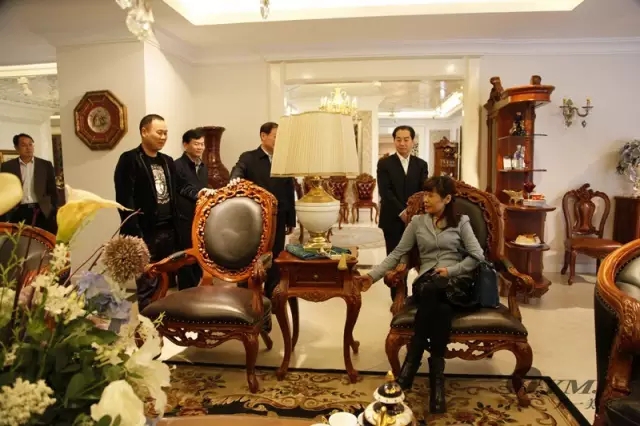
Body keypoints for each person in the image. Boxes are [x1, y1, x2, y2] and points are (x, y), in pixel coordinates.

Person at [354, 176, 484, 414]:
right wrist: (371, 276)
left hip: (455, 283)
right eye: (424, 194)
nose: (425, 199)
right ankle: (437, 381)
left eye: (431, 195)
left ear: (447, 198)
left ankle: (411, 365)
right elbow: (397, 254)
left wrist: (451, 270)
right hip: (427, 283)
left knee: (439, 300)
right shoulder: (417, 222)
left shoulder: (461, 221)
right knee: (434, 294)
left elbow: (477, 256)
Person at [114, 114, 184, 311]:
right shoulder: (130, 159)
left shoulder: (167, 161)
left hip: (168, 230)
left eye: (166, 133)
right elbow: (125, 199)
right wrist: (135, 234)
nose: (163, 137)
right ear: (144, 132)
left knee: (166, 283)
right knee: (147, 284)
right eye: (159, 133)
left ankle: (164, 321)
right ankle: (148, 322)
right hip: (145, 232)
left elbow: (176, 191)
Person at [230, 122, 296, 299]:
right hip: (254, 220)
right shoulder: (249, 157)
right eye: (276, 136)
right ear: (263, 136)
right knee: (250, 256)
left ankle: (271, 295)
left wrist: (291, 219)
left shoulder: (284, 159)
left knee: (275, 256)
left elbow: (289, 190)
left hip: (278, 217)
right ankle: (244, 295)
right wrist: (235, 179)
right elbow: (238, 170)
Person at [377, 125, 428, 301]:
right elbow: (385, 192)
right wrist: (402, 211)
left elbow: (423, 192)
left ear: (412, 141)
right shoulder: (385, 164)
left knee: (417, 258)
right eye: (398, 139)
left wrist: (413, 212)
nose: (402, 143)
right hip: (392, 219)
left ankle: (419, 296)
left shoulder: (421, 165)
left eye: (406, 139)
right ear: (394, 141)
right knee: (395, 259)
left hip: (416, 220)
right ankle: (398, 298)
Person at [0, 133, 58, 234]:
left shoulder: (45, 165)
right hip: (18, 211)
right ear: (16, 148)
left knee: (43, 240)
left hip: (41, 210)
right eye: (24, 145)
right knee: (19, 240)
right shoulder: (7, 166)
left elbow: (53, 190)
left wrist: (52, 209)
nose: (28, 148)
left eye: (30, 144)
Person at [174, 128, 209, 289]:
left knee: (199, 255)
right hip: (184, 219)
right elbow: (182, 187)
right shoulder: (177, 165)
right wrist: (198, 194)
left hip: (200, 217)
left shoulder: (203, 166)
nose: (200, 147)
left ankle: (197, 291)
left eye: (202, 144)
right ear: (185, 145)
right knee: (186, 257)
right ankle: (186, 293)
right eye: (196, 144)